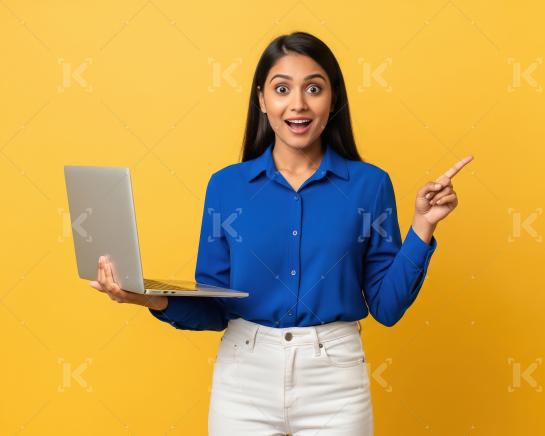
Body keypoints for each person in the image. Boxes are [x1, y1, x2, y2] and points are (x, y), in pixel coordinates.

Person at [90, 31, 472, 435]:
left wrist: (422, 227)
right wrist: (145, 296)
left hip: (336, 380)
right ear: (262, 100)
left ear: (334, 98)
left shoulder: (370, 185)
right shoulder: (226, 187)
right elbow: (215, 307)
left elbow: (388, 307)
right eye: (282, 88)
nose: (298, 104)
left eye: (313, 88)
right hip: (243, 379)